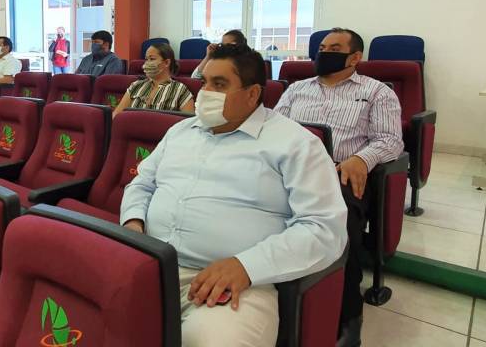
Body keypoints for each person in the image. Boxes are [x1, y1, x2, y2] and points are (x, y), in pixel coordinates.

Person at [120, 44, 348, 347]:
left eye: (220, 84)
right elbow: (141, 184)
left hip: (236, 282)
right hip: (150, 263)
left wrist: (246, 266)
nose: (205, 93)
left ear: (252, 94)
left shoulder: (296, 144)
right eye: (204, 82)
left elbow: (324, 228)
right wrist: (133, 224)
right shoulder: (180, 132)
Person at [274, 28, 404, 347]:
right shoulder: (296, 90)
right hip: (290, 169)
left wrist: (361, 159)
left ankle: (347, 315)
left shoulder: (377, 92)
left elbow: (390, 140)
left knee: (337, 223)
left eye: (334, 48)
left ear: (354, 57)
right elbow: (273, 129)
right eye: (321, 47)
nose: (324, 53)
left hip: (341, 173)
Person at [112, 43, 194, 117]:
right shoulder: (136, 85)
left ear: (166, 63)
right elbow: (116, 116)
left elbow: (189, 124)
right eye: (146, 59)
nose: (147, 63)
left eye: (152, 59)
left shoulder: (180, 90)